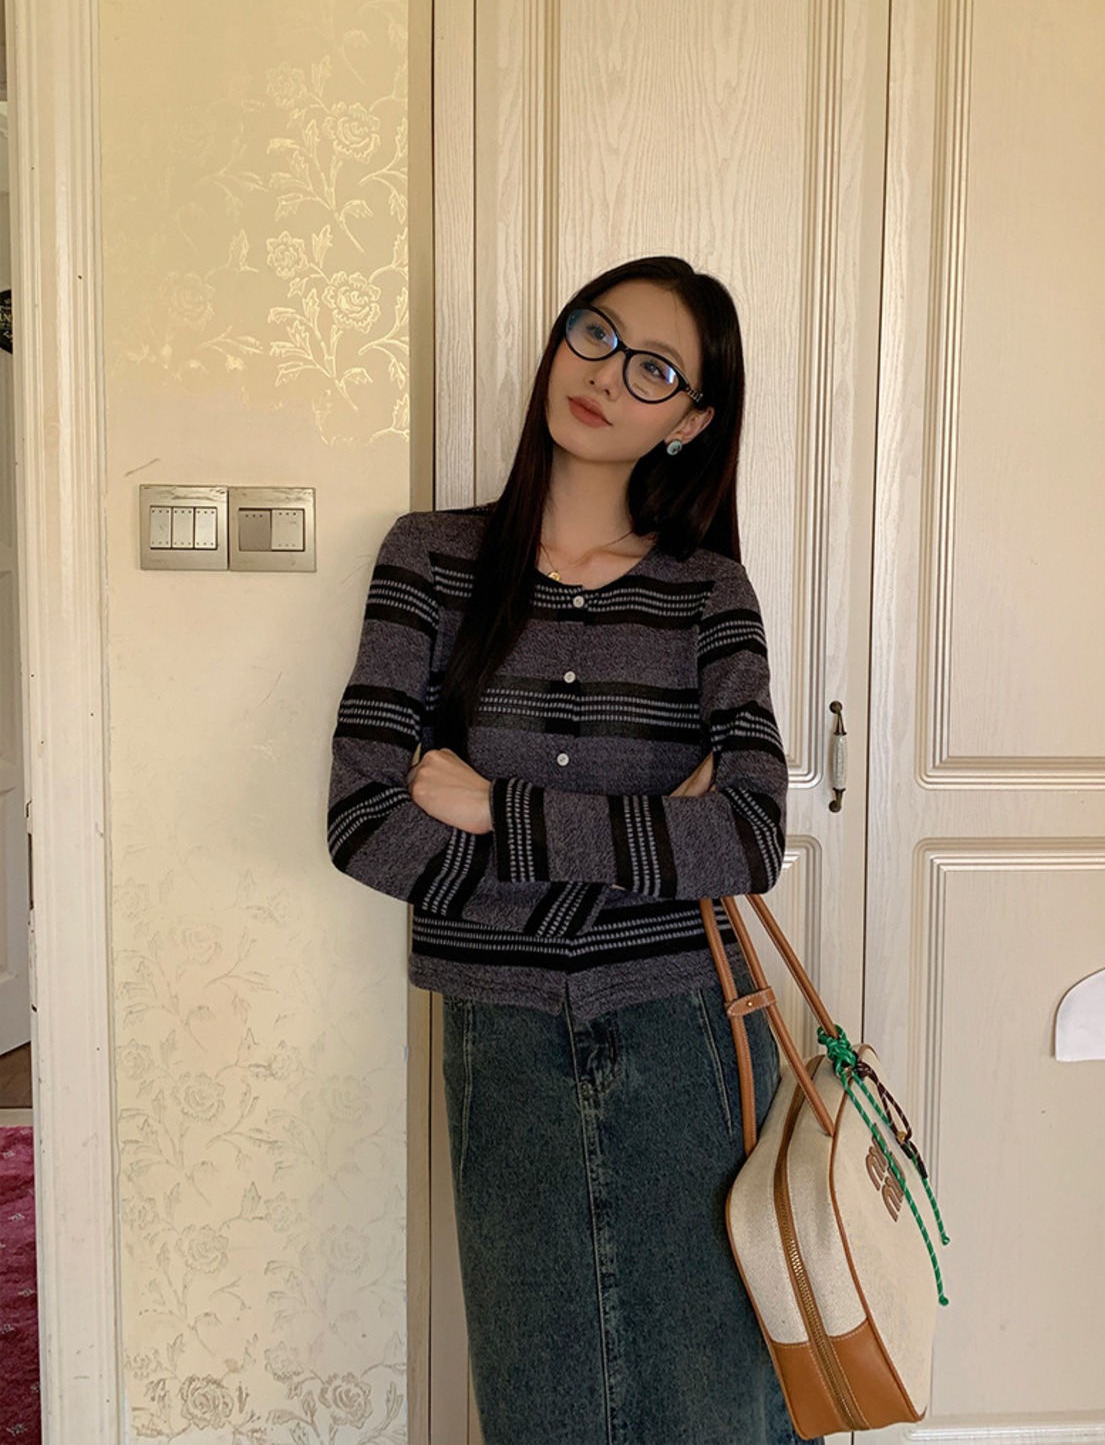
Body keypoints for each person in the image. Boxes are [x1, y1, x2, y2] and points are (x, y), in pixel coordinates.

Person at [327, 255, 812, 1444]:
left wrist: (496, 808)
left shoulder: (707, 592)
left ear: (688, 421)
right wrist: (648, 839)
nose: (606, 375)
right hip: (498, 1038)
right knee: (539, 1395)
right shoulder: (429, 559)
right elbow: (365, 824)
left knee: (708, 1397)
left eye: (654, 369)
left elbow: (748, 834)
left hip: (684, 1030)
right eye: (594, 335)